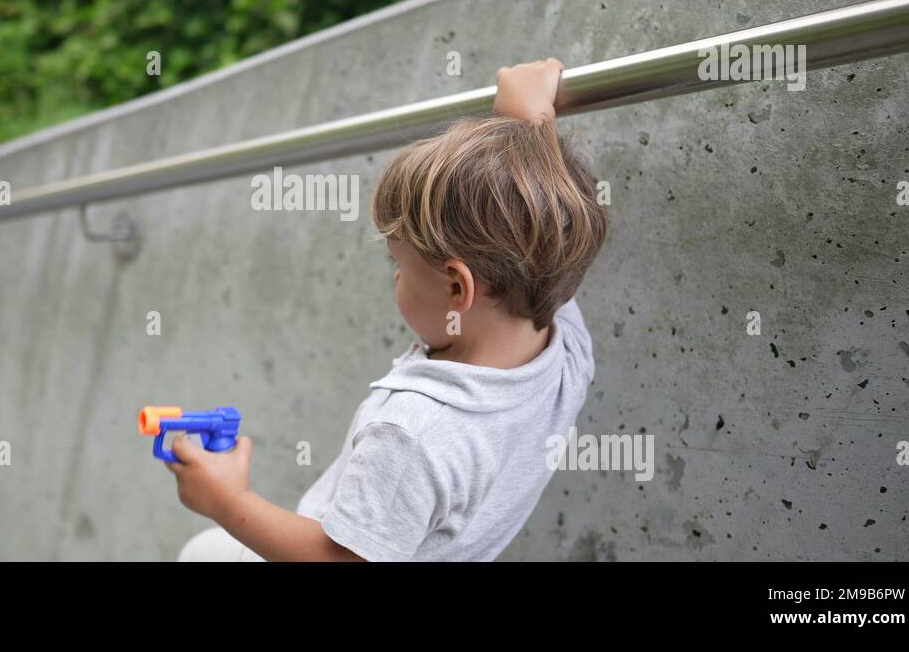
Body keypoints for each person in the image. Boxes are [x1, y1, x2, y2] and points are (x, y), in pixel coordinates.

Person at [170, 58, 608, 561]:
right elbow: (545, 238)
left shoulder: (413, 434)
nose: (396, 276)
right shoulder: (563, 351)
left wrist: (228, 501)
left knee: (205, 549)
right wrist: (524, 123)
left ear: (456, 288)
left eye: (397, 262)